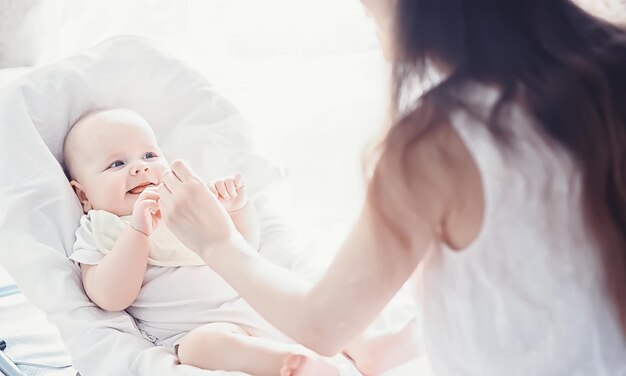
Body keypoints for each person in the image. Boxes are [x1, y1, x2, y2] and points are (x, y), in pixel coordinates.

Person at [155, 0, 626, 374]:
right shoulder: (610, 63)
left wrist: (217, 243)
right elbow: (544, 266)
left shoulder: (438, 145)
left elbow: (321, 324)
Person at [62, 108, 418, 376]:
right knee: (204, 347)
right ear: (83, 195)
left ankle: (367, 348)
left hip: (258, 304)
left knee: (310, 300)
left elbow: (245, 246)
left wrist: (236, 209)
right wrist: (137, 233)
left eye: (149, 156)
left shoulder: (182, 203)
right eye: (116, 164)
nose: (139, 168)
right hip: (194, 329)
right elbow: (109, 297)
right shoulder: (99, 228)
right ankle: (290, 364)